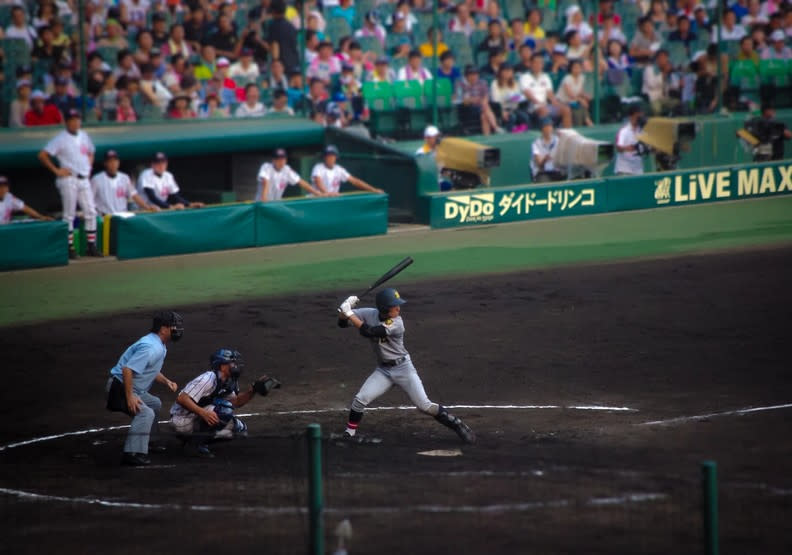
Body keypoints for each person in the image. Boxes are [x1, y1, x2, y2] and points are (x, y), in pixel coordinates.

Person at [335, 289, 476, 444]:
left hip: (403, 369)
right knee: (360, 399)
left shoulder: (397, 323)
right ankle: (350, 433)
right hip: (383, 370)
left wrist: (349, 313)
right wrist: (345, 308)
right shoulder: (369, 313)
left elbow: (370, 332)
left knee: (425, 405)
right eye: (395, 306)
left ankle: (457, 424)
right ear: (384, 308)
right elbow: (342, 323)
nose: (399, 308)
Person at [169, 349, 281, 458]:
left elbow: (236, 401)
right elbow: (182, 399)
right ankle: (194, 446)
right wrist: (203, 413)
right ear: (222, 366)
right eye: (232, 362)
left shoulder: (228, 381)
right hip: (182, 419)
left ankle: (192, 440)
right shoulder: (208, 378)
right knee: (224, 409)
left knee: (239, 429)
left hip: (195, 417)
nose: (235, 365)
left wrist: (253, 390)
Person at [105, 311, 181, 467]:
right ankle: (132, 454)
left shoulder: (159, 344)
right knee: (145, 413)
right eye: (173, 326)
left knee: (154, 403)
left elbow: (149, 368)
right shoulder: (150, 347)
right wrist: (130, 397)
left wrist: (166, 381)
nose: (177, 329)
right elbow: (127, 369)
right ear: (163, 329)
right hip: (118, 387)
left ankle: (150, 441)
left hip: (130, 386)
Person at [38, 109, 101, 259]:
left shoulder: (84, 135)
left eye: (77, 119)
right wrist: (56, 170)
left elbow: (91, 152)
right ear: (67, 122)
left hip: (83, 178)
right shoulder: (61, 138)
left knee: (91, 211)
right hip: (68, 179)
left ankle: (91, 246)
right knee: (69, 214)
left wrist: (89, 167)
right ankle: (69, 248)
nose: (75, 122)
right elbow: (42, 155)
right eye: (72, 119)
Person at [92, 150, 156, 216]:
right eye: (110, 161)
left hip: (122, 215)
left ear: (118, 162)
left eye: (115, 160)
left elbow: (134, 195)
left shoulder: (125, 178)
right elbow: (90, 199)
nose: (113, 163)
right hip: (105, 217)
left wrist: (147, 207)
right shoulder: (96, 179)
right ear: (105, 163)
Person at [520, 53, 573, 128]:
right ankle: (547, 135)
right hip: (532, 107)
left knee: (566, 109)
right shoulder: (525, 77)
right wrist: (538, 103)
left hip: (545, 105)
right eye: (536, 62)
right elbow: (527, 93)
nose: (538, 65)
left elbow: (550, 94)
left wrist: (556, 103)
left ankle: (567, 134)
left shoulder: (545, 77)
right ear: (531, 64)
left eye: (540, 63)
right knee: (543, 110)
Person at [138, 152, 205, 210]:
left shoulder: (168, 176)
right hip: (144, 210)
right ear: (152, 164)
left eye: (163, 162)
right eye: (157, 163)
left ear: (166, 163)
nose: (161, 165)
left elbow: (175, 196)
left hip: (160, 208)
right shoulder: (146, 174)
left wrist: (189, 204)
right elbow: (152, 197)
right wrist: (170, 206)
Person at [311, 145, 383, 195]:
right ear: (324, 157)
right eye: (328, 155)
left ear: (336, 157)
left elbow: (355, 181)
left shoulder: (339, 169)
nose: (330, 158)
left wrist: (373, 190)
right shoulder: (318, 167)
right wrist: (327, 193)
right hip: (317, 200)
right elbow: (318, 182)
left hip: (332, 200)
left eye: (332, 155)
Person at [256, 148, 322, 201]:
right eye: (278, 159)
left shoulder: (287, 169)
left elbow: (301, 182)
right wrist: (264, 199)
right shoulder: (266, 166)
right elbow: (265, 182)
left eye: (283, 159)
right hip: (261, 204)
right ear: (273, 160)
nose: (281, 161)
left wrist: (317, 193)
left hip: (275, 204)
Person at [457, 64, 501, 135]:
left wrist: (482, 101)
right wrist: (473, 100)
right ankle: (496, 127)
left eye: (475, 74)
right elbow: (462, 100)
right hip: (468, 109)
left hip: (482, 107)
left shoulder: (482, 83)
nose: (474, 77)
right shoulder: (460, 84)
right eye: (471, 74)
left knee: (484, 115)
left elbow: (486, 96)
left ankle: (487, 136)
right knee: (485, 108)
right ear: (466, 76)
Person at [614, 104, 646, 175]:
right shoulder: (623, 131)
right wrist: (631, 148)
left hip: (638, 169)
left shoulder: (642, 131)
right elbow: (618, 147)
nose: (639, 119)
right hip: (624, 169)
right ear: (631, 116)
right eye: (637, 117)